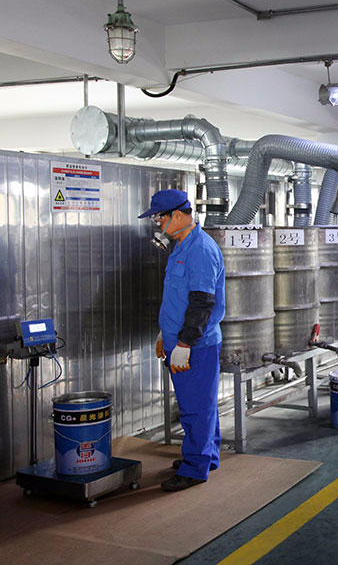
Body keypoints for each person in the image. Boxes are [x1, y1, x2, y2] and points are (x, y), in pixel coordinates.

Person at [138, 189, 226, 492]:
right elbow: (178, 299)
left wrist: (185, 344)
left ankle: (194, 469)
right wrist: (166, 333)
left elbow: (202, 303)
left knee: (195, 408)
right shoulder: (181, 246)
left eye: (159, 218)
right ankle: (207, 456)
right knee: (201, 405)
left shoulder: (200, 249)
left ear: (177, 215)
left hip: (196, 346)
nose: (158, 224)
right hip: (181, 340)